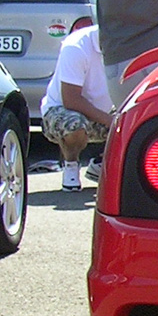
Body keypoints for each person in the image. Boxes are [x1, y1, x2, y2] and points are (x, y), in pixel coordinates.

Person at [40, 19, 112, 192]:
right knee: (75, 125)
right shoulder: (76, 46)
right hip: (62, 111)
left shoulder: (129, 46)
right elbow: (71, 100)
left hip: (105, 112)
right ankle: (70, 165)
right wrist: (114, 122)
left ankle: (101, 163)